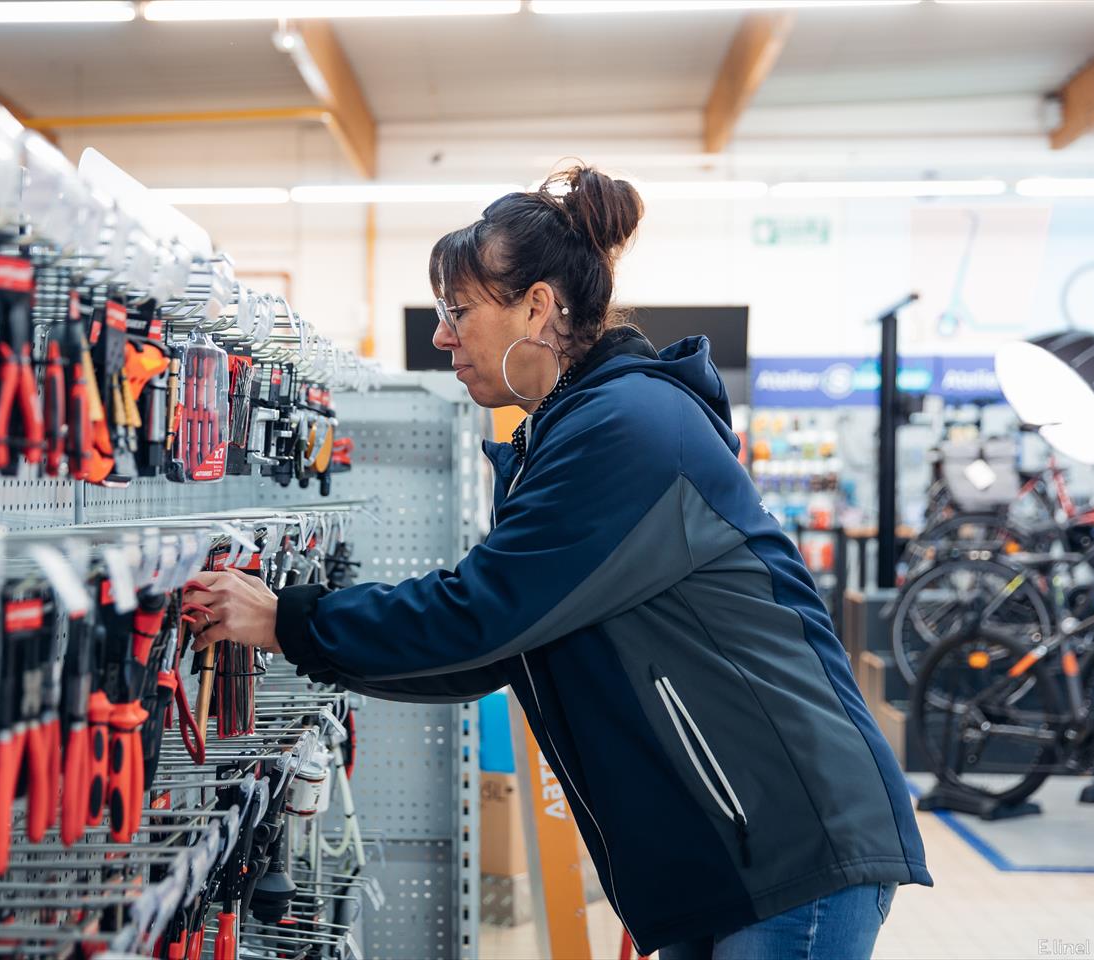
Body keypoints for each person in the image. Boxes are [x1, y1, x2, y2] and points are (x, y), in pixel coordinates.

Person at [182, 164, 931, 960]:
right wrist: (300, 641)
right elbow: (492, 649)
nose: (442, 336)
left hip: (787, 838)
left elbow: (480, 614)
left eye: (457, 310)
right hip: (724, 846)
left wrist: (288, 619)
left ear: (536, 308)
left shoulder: (627, 429)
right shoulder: (573, 433)